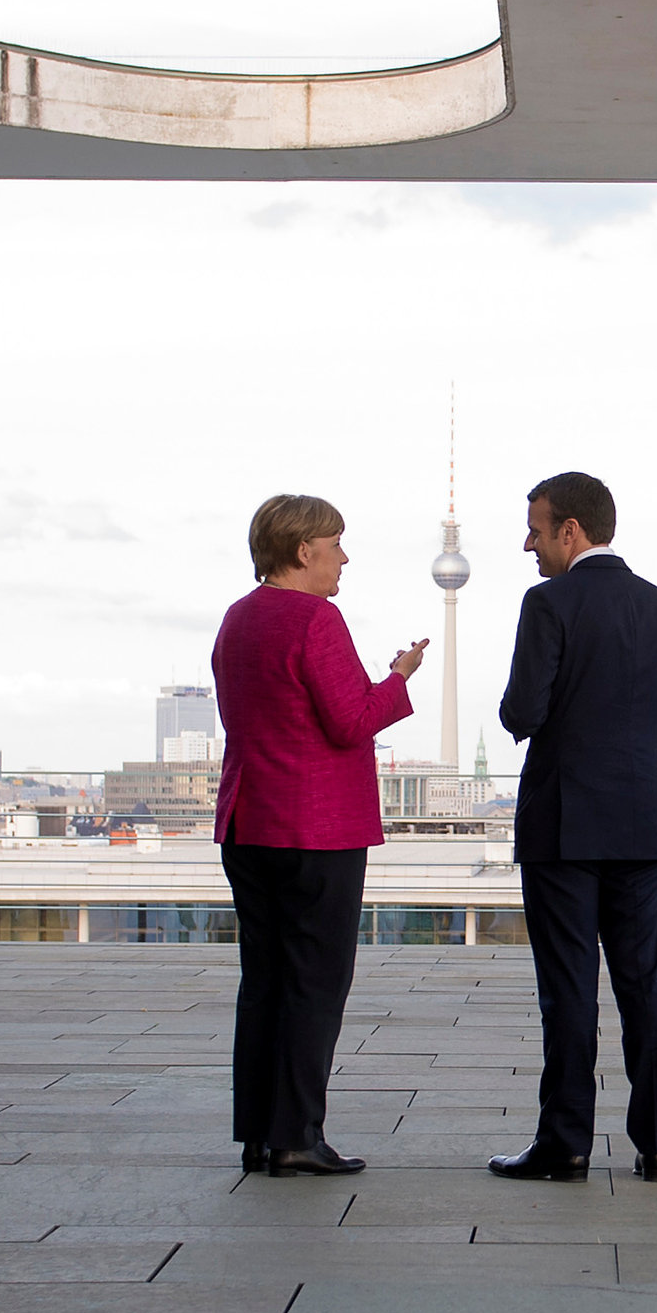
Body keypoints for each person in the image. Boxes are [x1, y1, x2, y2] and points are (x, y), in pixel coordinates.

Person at [489, 470, 657, 1182]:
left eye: (537, 529)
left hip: (563, 822)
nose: (530, 543)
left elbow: (521, 713)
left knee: (569, 984)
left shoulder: (548, 603)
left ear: (570, 530)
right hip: (641, 820)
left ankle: (567, 1143)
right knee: (643, 979)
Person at [209, 494, 424, 1176]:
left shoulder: (236, 619)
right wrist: (398, 677)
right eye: (336, 542)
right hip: (316, 827)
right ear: (303, 550)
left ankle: (258, 1133)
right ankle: (298, 1133)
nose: (344, 556)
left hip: (249, 821)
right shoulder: (316, 617)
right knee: (315, 981)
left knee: (265, 979)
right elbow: (348, 719)